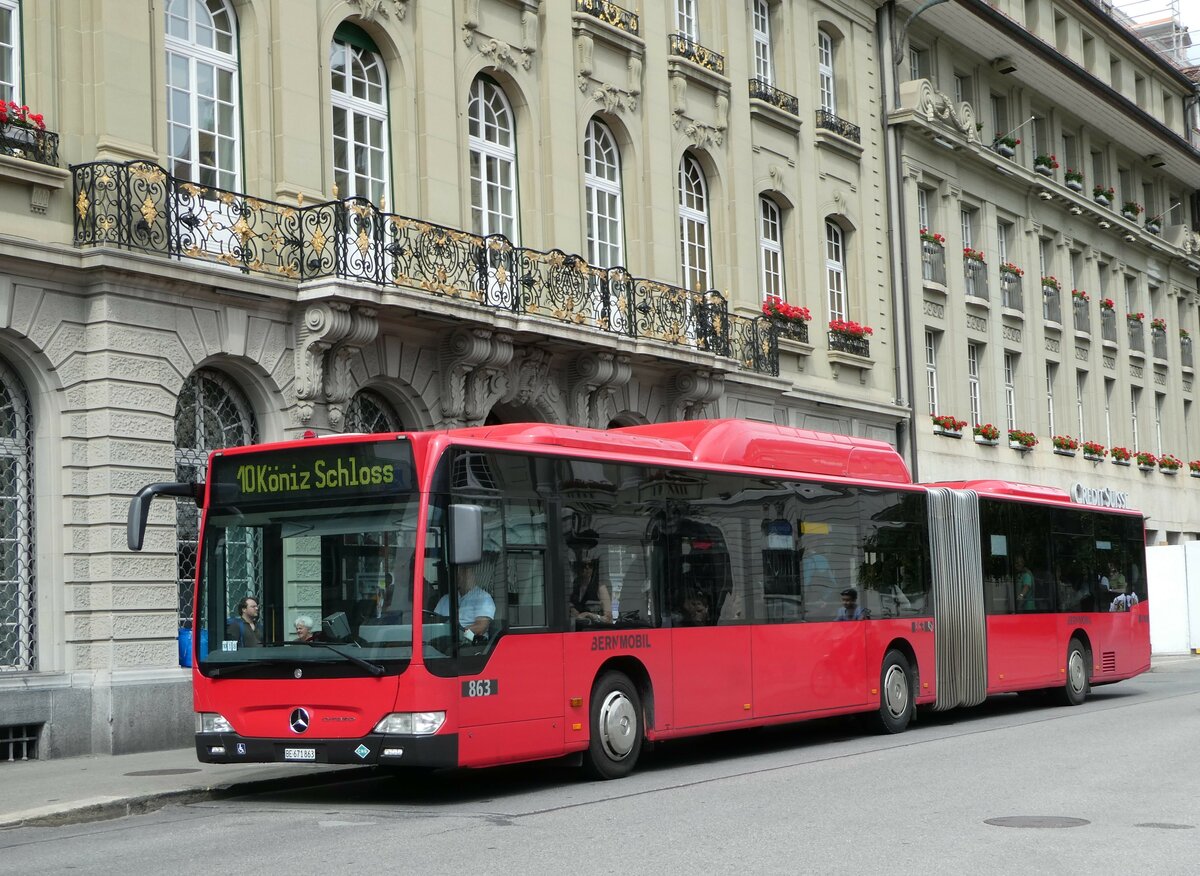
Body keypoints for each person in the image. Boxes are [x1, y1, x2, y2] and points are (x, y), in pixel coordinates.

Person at [434, 564, 495, 642]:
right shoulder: (446, 599)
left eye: (460, 572)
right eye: (455, 572)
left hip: (470, 644)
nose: (457, 575)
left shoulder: (483, 597)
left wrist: (457, 633)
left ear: (470, 574)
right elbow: (434, 622)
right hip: (444, 641)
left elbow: (480, 628)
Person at [569, 558, 612, 624]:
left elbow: (608, 619)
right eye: (583, 565)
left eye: (590, 565)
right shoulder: (574, 587)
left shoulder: (600, 588)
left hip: (594, 630)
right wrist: (571, 610)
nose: (587, 568)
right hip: (577, 630)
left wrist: (589, 615)